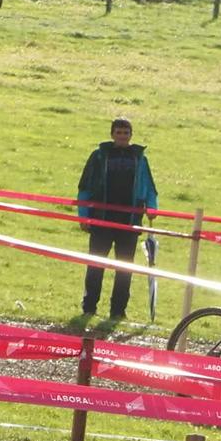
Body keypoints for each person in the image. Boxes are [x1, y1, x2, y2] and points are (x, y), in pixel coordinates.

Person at [75, 118, 160, 321]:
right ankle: (89, 307)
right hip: (101, 219)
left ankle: (118, 311)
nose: (122, 136)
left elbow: (149, 186)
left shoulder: (140, 159)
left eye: (126, 133)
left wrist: (152, 207)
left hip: (129, 221)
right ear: (112, 134)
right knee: (95, 265)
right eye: (119, 132)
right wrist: (83, 215)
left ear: (131, 135)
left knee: (125, 268)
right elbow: (85, 187)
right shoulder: (98, 157)